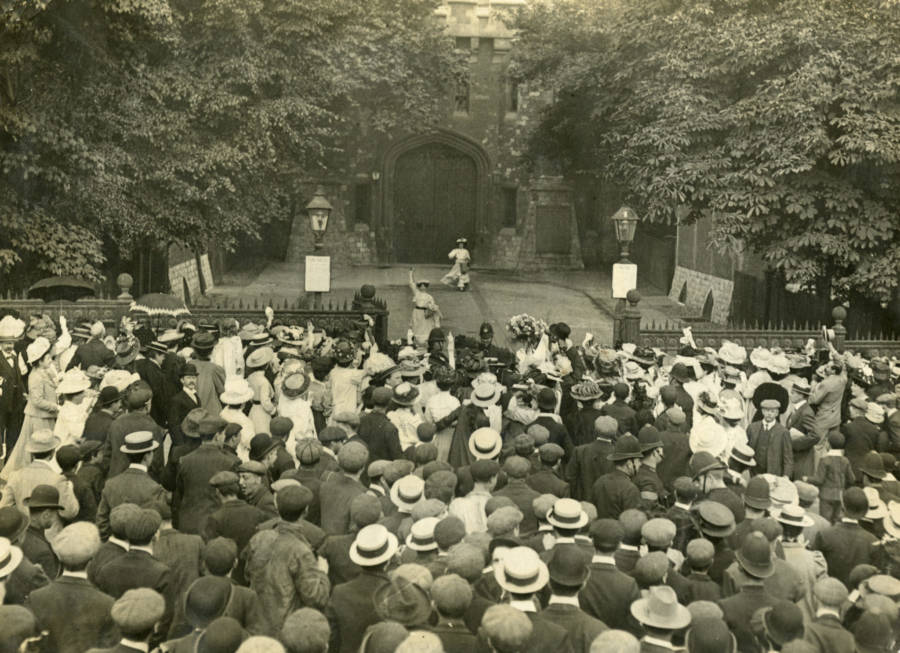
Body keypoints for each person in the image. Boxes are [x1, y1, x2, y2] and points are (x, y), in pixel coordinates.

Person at [1, 337, 59, 479]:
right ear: (39, 361)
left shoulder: (43, 372)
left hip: (44, 416)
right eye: (47, 358)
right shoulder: (36, 377)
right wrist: (56, 407)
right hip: (38, 417)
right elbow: (37, 400)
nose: (50, 360)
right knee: (38, 446)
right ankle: (31, 475)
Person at [409, 268, 442, 344]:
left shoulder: (429, 297)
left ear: (427, 287)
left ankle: (425, 341)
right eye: (421, 285)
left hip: (425, 313)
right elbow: (411, 284)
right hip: (417, 312)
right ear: (419, 286)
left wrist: (432, 310)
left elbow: (433, 307)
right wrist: (411, 273)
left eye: (425, 285)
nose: (423, 287)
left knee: (426, 327)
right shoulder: (417, 293)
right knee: (416, 325)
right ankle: (416, 340)